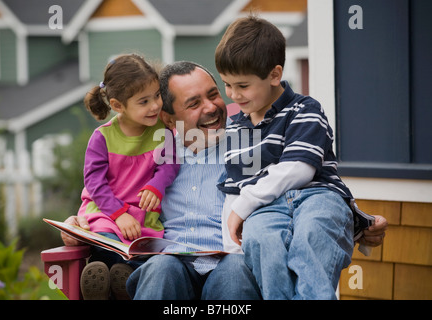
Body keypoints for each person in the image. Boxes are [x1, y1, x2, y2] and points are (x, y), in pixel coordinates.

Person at [62, 61, 388, 300]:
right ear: (167, 117)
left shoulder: (251, 141)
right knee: (161, 271)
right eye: (193, 103)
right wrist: (77, 223)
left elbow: (301, 181)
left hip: (229, 258)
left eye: (213, 94)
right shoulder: (152, 152)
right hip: (170, 258)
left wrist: (359, 222)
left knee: (235, 274)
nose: (211, 107)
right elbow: (106, 192)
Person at [214, 15, 380, 299]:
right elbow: (235, 188)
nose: (233, 95)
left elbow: (299, 169)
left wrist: (244, 204)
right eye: (227, 85)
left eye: (242, 85)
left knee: (312, 236)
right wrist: (233, 241)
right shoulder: (236, 128)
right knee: (263, 242)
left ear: (275, 75)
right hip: (265, 211)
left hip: (316, 195)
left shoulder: (304, 109)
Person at [76, 53, 179, 299]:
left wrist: (157, 185)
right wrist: (118, 215)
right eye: (144, 101)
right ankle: (113, 278)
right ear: (118, 105)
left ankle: (121, 279)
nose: (155, 105)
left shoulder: (162, 131)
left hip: (142, 218)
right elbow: (94, 183)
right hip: (107, 212)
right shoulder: (103, 137)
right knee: (106, 240)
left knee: (146, 252)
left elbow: (170, 164)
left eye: (156, 95)